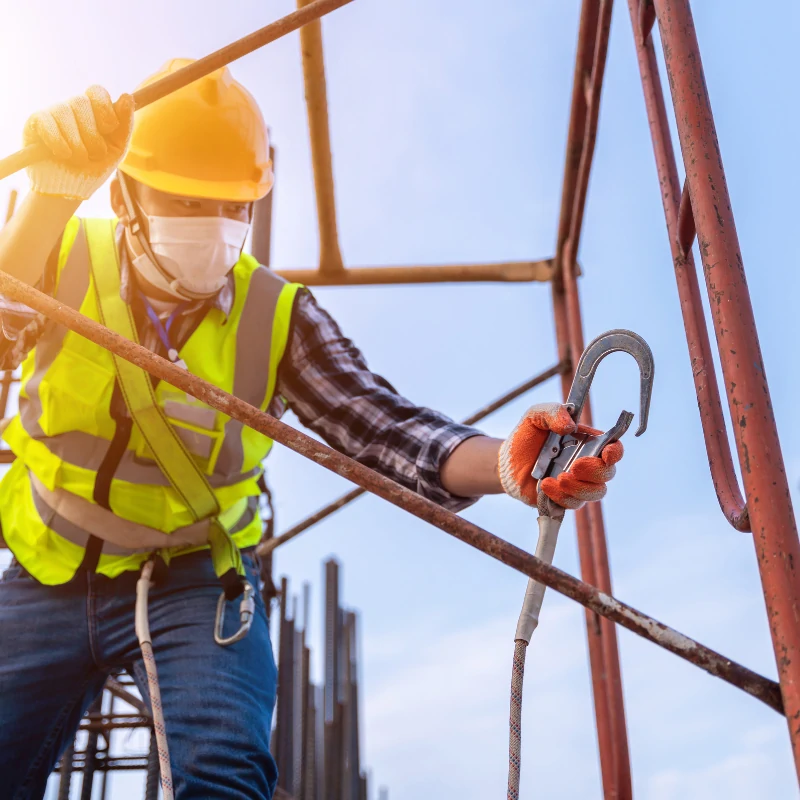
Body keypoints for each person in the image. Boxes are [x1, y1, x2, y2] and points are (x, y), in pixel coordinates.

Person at [0, 60, 623, 800]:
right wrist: (45, 204)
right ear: (129, 194)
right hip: (49, 565)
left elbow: (383, 428)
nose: (211, 227)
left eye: (232, 206)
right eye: (183, 200)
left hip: (197, 579)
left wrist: (505, 466)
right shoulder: (60, 252)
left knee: (224, 776)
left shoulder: (278, 315)